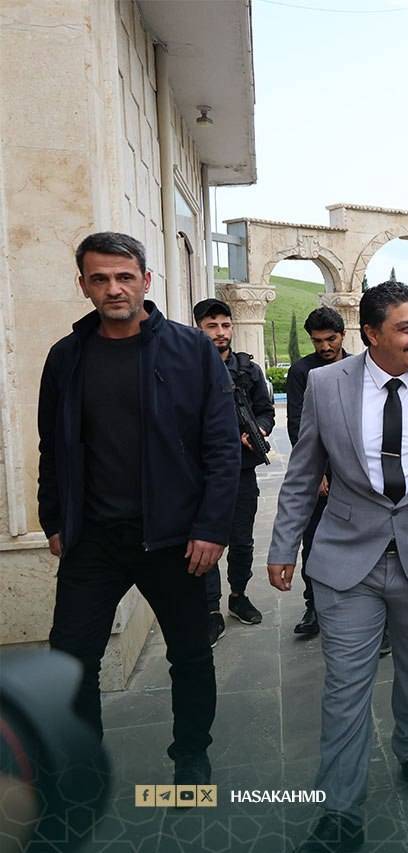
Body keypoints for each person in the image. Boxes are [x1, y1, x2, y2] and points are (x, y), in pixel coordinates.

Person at [267, 281, 408, 853]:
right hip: (347, 560)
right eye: (407, 329)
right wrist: (282, 546)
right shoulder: (326, 384)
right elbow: (303, 471)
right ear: (370, 334)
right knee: (345, 685)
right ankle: (339, 809)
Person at [39, 232, 239, 785]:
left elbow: (222, 446)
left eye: (124, 277)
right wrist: (53, 518)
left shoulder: (191, 350)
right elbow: (52, 445)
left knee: (190, 655)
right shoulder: (66, 357)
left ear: (146, 281)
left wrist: (211, 528)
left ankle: (191, 756)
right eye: (100, 278)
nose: (114, 288)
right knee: (71, 660)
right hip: (93, 539)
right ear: (83, 285)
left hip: (175, 539)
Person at [193, 298, 275, 646]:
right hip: (200, 472)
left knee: (242, 540)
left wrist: (259, 430)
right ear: (198, 328)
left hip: (241, 470)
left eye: (225, 325)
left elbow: (266, 411)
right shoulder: (188, 368)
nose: (220, 332)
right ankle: (210, 609)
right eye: (212, 326)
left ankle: (238, 595)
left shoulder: (249, 370)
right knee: (206, 541)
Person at [285, 306, 351, 638]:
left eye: (331, 339)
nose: (325, 346)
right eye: (317, 341)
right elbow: (298, 424)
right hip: (319, 473)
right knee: (313, 538)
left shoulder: (358, 367)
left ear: (342, 335)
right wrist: (316, 473)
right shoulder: (302, 371)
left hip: (353, 473)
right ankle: (314, 605)